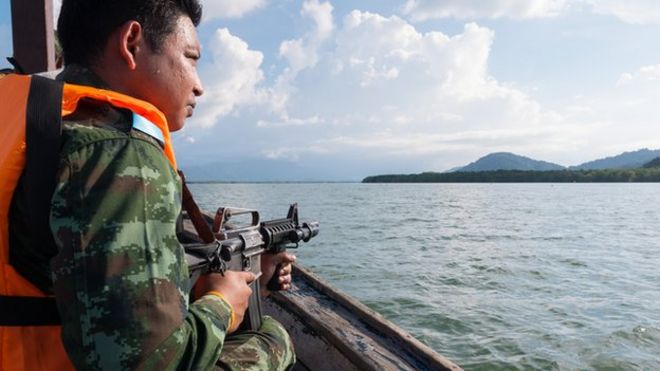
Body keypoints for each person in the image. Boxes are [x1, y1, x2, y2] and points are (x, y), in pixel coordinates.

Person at [8, 0, 297, 369]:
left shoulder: (39, 124)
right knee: (270, 336)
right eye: (191, 58)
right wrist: (222, 304)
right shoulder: (117, 151)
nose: (199, 86)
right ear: (131, 42)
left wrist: (237, 284)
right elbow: (146, 362)